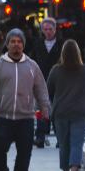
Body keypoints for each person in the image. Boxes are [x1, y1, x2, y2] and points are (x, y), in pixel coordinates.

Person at [0, 28, 50, 171]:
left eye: (19, 42)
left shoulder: (31, 66)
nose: (16, 45)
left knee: (24, 153)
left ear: (23, 45)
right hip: (4, 116)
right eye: (12, 42)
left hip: (25, 117)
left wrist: (44, 107)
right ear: (7, 44)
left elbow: (40, 88)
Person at [47, 39, 85, 171]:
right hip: (80, 112)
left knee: (63, 145)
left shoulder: (56, 70)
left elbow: (49, 89)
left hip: (60, 112)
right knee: (77, 144)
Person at [30, 17, 63, 148]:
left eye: (50, 29)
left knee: (57, 109)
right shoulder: (37, 43)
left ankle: (60, 137)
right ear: (42, 30)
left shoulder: (62, 44)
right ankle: (40, 136)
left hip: (58, 81)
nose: (48, 32)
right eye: (45, 29)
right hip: (41, 80)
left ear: (55, 30)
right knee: (40, 109)